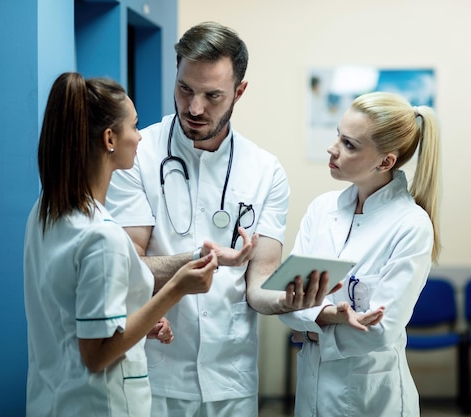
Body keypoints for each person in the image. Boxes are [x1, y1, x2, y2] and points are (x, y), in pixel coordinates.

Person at [105, 21, 330, 417]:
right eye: (185, 89)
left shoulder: (265, 171)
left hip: (231, 378)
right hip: (155, 373)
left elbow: (258, 286)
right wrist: (198, 258)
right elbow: (128, 266)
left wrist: (291, 301)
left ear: (239, 92)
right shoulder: (137, 156)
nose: (194, 108)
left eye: (212, 96)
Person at [23, 72, 218, 417]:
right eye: (134, 126)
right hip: (102, 404)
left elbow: (70, 314)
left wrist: (137, 319)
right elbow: (96, 355)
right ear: (110, 138)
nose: (140, 137)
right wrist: (175, 290)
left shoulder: (45, 212)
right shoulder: (103, 236)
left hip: (53, 399)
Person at [280, 91, 442, 417]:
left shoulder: (411, 225)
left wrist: (309, 325)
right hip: (311, 392)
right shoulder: (321, 209)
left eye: (349, 144)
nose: (333, 149)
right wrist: (329, 317)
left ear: (386, 162)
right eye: (337, 136)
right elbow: (286, 299)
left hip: (372, 400)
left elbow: (380, 332)